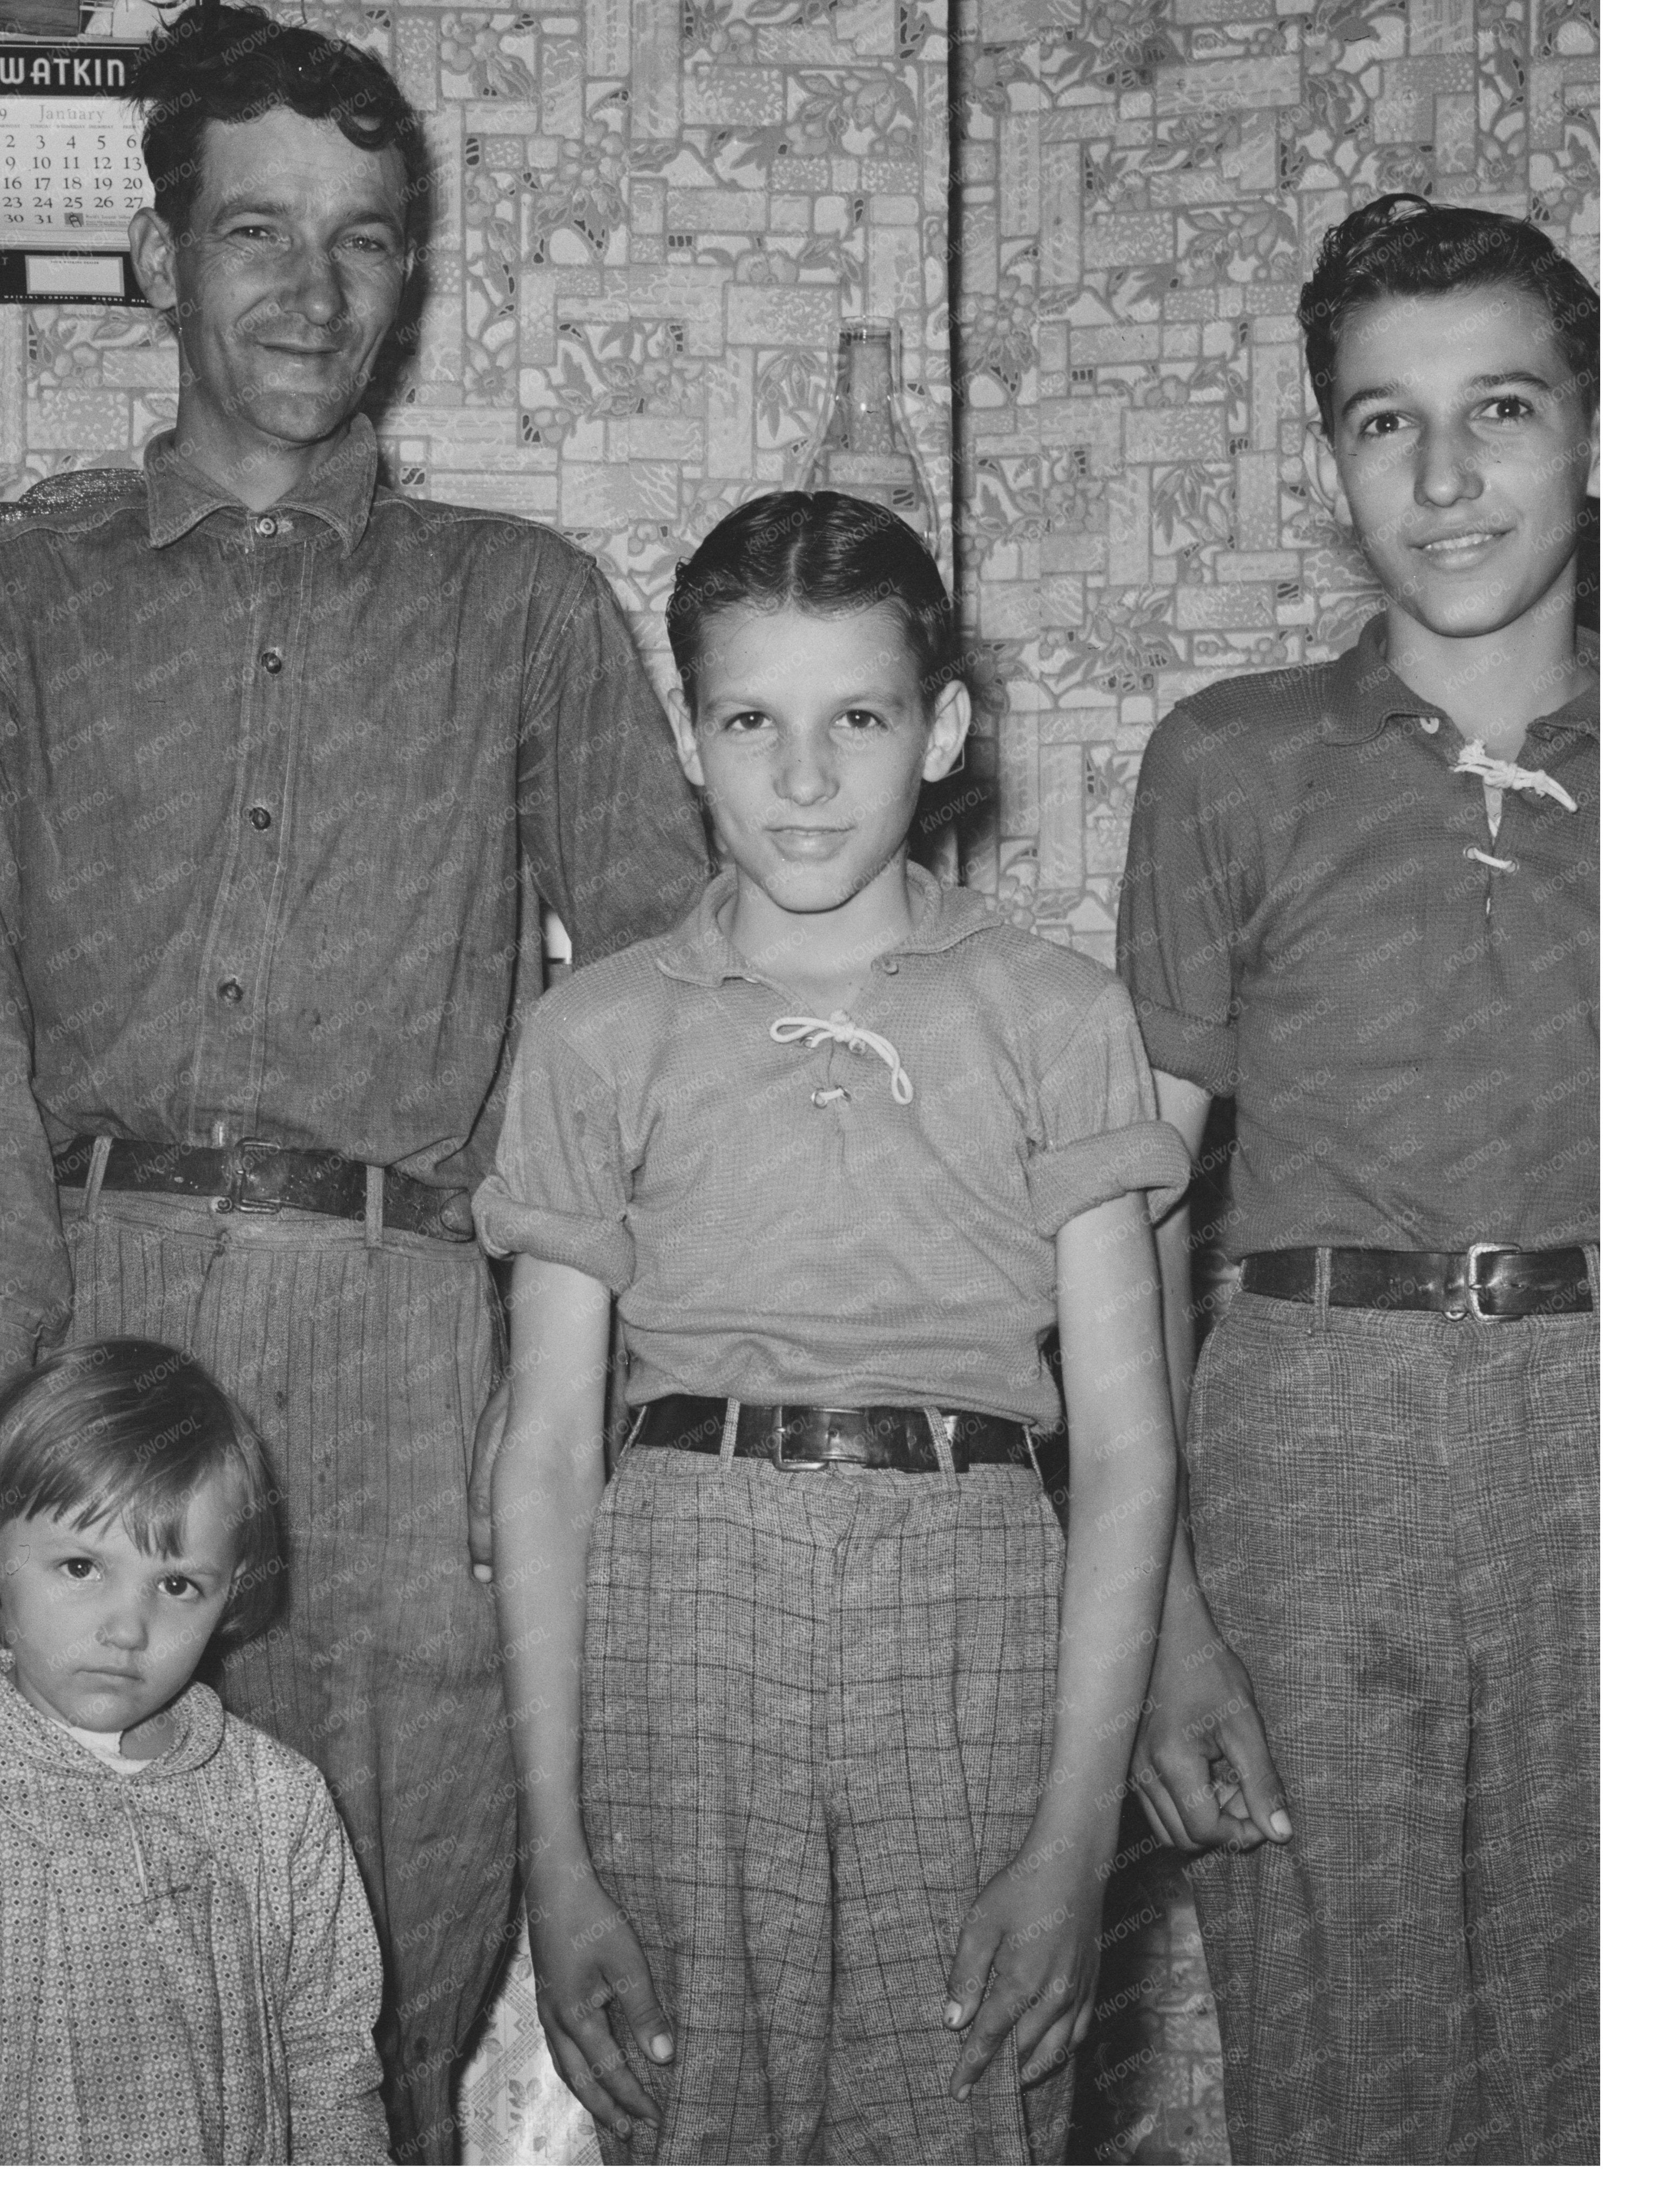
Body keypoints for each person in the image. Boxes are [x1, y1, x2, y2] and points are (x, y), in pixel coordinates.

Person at [0, 2, 710, 2160]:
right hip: (93, 1330)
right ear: (156, 258)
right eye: (253, 229)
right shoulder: (4, 600)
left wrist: (586, 1401)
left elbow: (657, 1022)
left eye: (361, 240)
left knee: (370, 2038)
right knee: (64, 2022)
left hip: (412, 1360)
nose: (307, 290)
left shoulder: (523, 607)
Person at [482, 491, 1185, 2162]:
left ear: (939, 730)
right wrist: (554, 1854)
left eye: (853, 720)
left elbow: (1130, 1450)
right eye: (750, 723)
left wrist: (1073, 1843)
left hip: (969, 1595)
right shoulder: (592, 1035)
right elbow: (541, 1459)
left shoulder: (1056, 1015)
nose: (801, 780)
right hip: (677, 1597)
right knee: (691, 2117)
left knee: (959, 2112)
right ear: (691, 739)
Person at [1117, 194, 1598, 2162]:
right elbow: (1131, 1217)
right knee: (1348, 2083)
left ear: (1598, 430)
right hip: (1313, 1450)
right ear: (1332, 462)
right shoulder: (1232, 760)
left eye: (1502, 409)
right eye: (1386, 423)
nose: (1449, 473)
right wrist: (1162, 1622)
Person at [0, 1340, 386, 2164]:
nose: (127, 1629)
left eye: (176, 1585)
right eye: (80, 1566)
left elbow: (330, 2069)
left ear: (231, 1591)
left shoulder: (278, 1802)